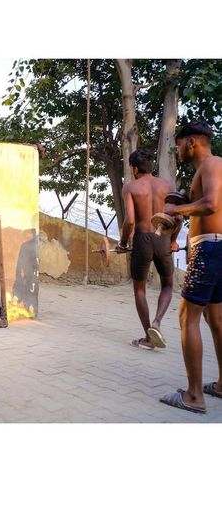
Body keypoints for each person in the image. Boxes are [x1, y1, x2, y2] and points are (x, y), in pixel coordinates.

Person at [160, 121, 222, 414]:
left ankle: (194, 396)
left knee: (188, 318)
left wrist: (176, 209)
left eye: (179, 144)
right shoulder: (208, 169)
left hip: (209, 249)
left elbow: (211, 204)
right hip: (215, 246)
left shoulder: (211, 164)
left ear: (192, 142)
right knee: (215, 318)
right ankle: (221, 385)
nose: (177, 149)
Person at [116, 148, 181, 350]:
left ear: (134, 169)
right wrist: (173, 240)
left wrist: (123, 243)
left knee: (140, 291)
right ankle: (157, 322)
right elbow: (179, 217)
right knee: (168, 286)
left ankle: (148, 337)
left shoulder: (131, 187)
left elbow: (131, 220)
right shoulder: (168, 185)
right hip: (163, 239)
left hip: (143, 239)